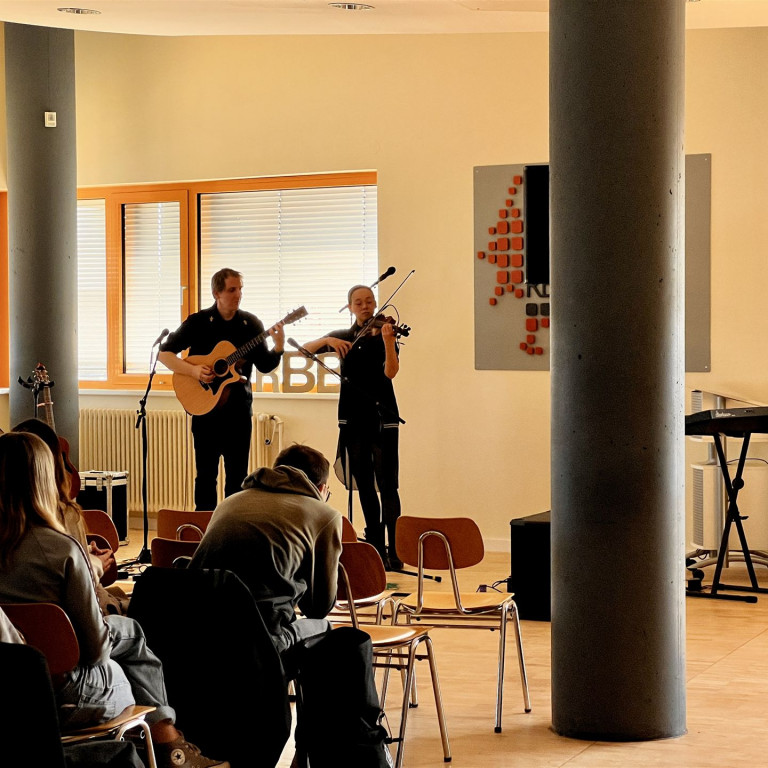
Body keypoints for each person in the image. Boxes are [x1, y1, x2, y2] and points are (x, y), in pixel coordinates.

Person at [0, 431, 229, 768]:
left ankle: (162, 745)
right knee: (129, 651)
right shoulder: (62, 550)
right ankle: (170, 747)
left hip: (13, 696)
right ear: (44, 480)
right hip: (67, 696)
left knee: (129, 636)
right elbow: (94, 651)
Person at [189, 443, 392, 768]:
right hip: (261, 641)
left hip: (198, 632)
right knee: (324, 634)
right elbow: (319, 605)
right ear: (322, 488)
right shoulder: (323, 515)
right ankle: (306, 751)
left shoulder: (229, 502)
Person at [158, 267, 285, 511]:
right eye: (232, 289)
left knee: (237, 478)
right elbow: (164, 354)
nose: (238, 295)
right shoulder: (198, 322)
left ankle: (231, 529)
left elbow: (266, 365)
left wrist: (278, 347)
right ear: (217, 293)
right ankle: (203, 533)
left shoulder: (251, 324)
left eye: (240, 289)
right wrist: (194, 371)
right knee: (205, 476)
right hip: (205, 411)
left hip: (238, 412)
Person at [301, 284, 402, 569]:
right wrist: (329, 341)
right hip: (353, 416)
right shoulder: (344, 337)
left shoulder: (386, 333)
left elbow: (391, 372)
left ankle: (395, 550)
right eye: (358, 302)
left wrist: (388, 343)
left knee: (388, 485)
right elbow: (304, 351)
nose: (365, 306)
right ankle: (376, 547)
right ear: (350, 307)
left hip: (383, 415)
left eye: (369, 301)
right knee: (366, 487)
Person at [11, 418, 125, 610]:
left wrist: (83, 555)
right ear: (51, 465)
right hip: (65, 628)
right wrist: (92, 563)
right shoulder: (67, 516)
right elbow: (85, 599)